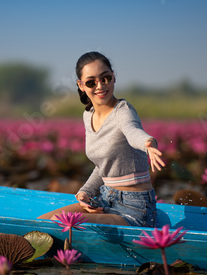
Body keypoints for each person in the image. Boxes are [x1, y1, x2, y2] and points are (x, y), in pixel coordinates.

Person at [38, 52, 165, 227]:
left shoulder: (123, 111)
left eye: (105, 79)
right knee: (40, 223)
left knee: (58, 222)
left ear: (113, 77)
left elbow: (132, 130)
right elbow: (103, 166)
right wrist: (86, 193)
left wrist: (148, 143)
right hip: (104, 200)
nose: (100, 86)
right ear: (81, 85)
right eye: (91, 82)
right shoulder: (87, 115)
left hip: (135, 208)